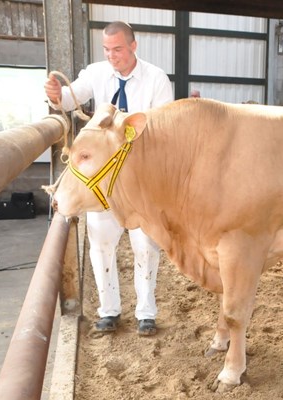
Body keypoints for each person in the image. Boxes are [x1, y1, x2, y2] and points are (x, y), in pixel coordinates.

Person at [44, 21, 174, 336]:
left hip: (139, 181)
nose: (112, 56)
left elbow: (164, 127)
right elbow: (71, 98)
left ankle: (146, 314)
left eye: (117, 49)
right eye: (107, 49)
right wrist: (56, 96)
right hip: (102, 182)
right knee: (101, 244)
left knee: (145, 245)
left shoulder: (156, 79)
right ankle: (109, 312)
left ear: (133, 46)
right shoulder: (96, 73)